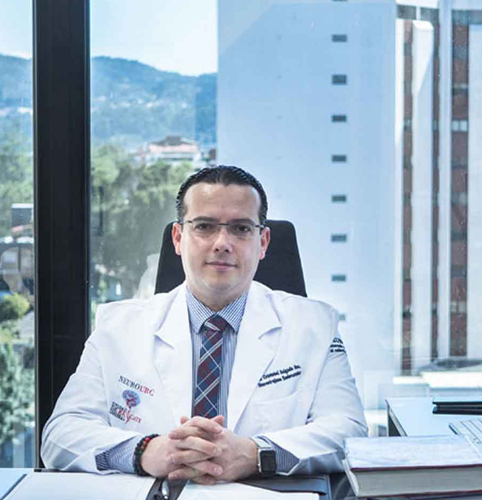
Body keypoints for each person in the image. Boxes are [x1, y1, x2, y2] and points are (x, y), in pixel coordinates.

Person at [41, 165, 367, 483]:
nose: (222, 242)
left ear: (263, 242)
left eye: (241, 229)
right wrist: (146, 452)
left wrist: (255, 454)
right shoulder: (117, 327)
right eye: (205, 226)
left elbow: (349, 431)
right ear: (178, 237)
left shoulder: (315, 327)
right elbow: (60, 434)